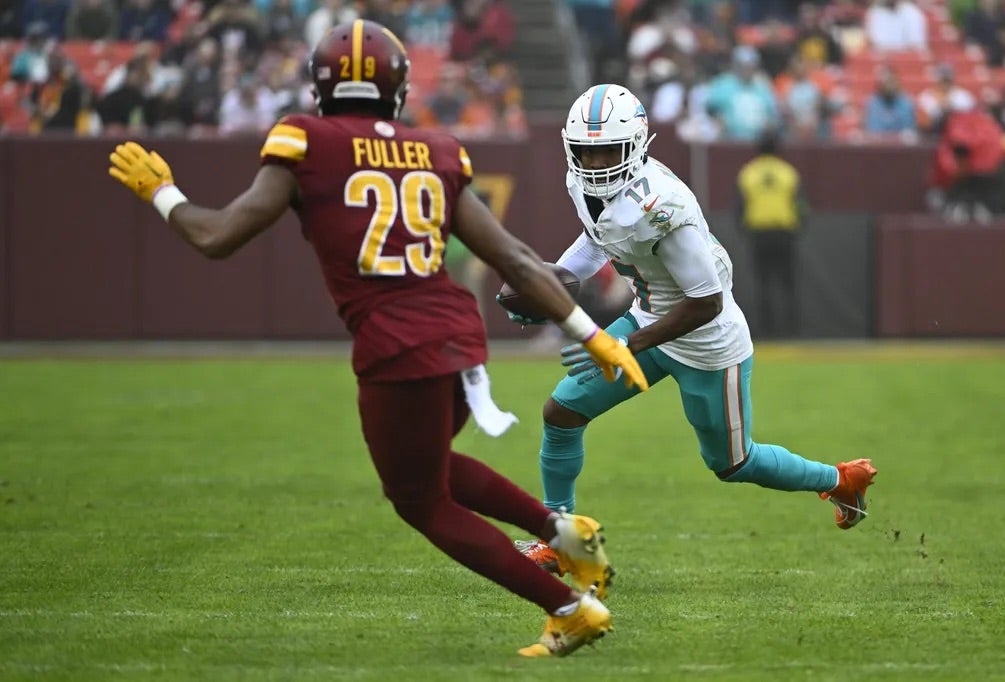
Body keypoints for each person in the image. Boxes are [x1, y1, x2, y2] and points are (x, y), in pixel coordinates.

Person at [107, 21, 651, 658]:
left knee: (419, 501)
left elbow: (216, 236)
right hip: (456, 331)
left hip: (398, 343)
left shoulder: (304, 139)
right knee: (428, 466)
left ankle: (568, 607)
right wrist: (592, 335)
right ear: (397, 88)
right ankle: (564, 534)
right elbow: (519, 262)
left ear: (320, 85)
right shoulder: (435, 149)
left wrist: (162, 192)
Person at [506, 84, 877, 570]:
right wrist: (554, 278)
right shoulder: (582, 183)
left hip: (705, 339)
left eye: (606, 152)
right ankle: (557, 538)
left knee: (733, 463)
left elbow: (706, 302)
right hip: (648, 315)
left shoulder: (663, 207)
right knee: (562, 413)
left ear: (635, 145)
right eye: (586, 152)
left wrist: (622, 346)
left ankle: (838, 479)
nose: (594, 164)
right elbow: (600, 236)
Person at [736, 132, 807, 338]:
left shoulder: (748, 172)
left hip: (759, 233)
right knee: (788, 283)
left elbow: (739, 206)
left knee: (762, 283)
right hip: (784, 233)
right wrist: (798, 227)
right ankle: (792, 330)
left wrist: (744, 229)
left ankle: (766, 332)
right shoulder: (788, 172)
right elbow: (801, 205)